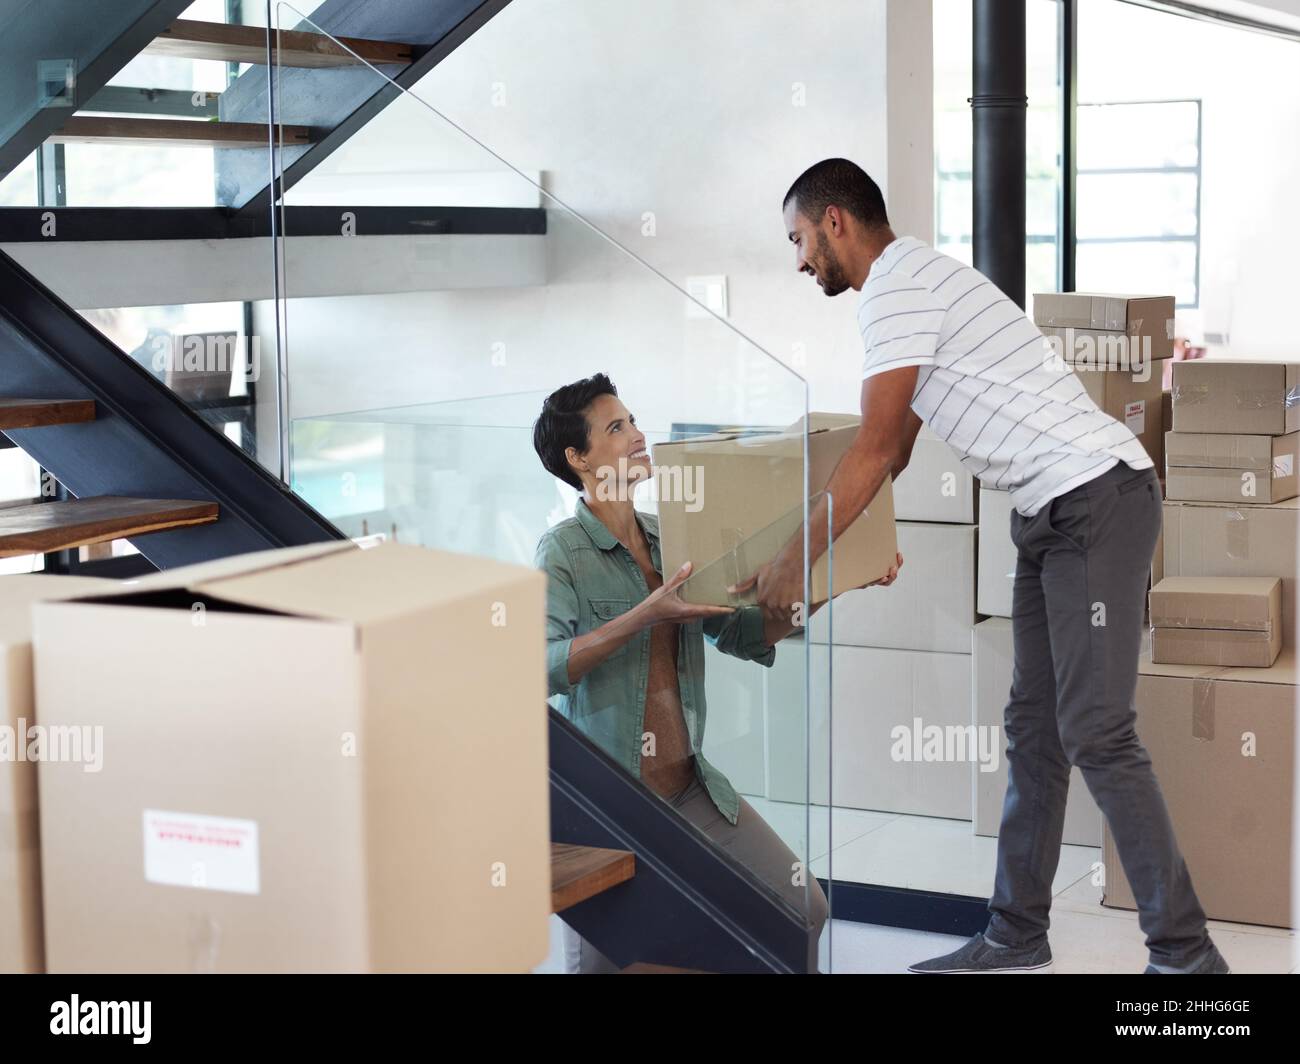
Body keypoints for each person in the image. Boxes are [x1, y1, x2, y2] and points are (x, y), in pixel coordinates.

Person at [732, 157, 1227, 975]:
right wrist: (858, 549)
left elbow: (879, 443)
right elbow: (897, 449)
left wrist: (793, 564)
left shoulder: (896, 290)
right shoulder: (914, 282)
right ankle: (1015, 935)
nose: (798, 263)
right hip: (1047, 510)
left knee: (1095, 728)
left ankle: (1187, 958)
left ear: (835, 222)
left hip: (1093, 497)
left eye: (798, 240)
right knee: (1035, 731)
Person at [532, 373, 902, 973]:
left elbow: (743, 634)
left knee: (802, 908)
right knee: (610, 967)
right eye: (616, 428)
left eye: (633, 421)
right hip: (615, 807)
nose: (637, 436)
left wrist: (840, 581)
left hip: (691, 789)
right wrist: (641, 616)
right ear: (577, 458)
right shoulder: (563, 551)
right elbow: (541, 666)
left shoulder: (668, 536)